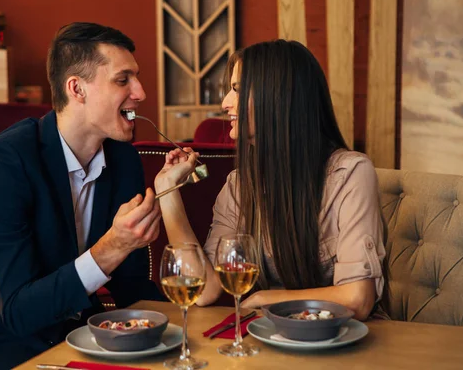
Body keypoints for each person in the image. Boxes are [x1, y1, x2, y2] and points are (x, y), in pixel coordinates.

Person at [0, 22, 164, 369]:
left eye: (136, 77)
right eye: (123, 79)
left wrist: (185, 320)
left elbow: (130, 286)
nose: (141, 92)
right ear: (77, 89)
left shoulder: (122, 158)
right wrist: (112, 247)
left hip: (77, 338)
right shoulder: (2, 164)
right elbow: (18, 313)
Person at [155, 39, 385, 321]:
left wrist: (268, 298)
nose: (225, 103)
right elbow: (204, 290)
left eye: (237, 90)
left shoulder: (350, 175)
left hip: (341, 341)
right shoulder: (239, 185)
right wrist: (167, 192)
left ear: (278, 98)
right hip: (272, 337)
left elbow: (358, 299)